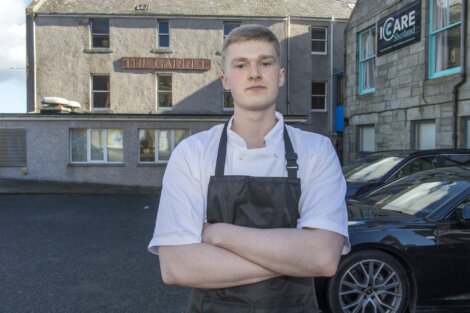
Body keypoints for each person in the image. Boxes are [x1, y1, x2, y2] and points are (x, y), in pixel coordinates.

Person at [148, 24, 350, 313]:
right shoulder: (192, 153)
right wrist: (293, 257)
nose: (254, 73)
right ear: (226, 80)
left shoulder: (316, 151)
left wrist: (219, 235)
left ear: (280, 76)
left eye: (265, 63)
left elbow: (323, 258)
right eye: (241, 65)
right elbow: (176, 266)